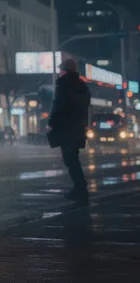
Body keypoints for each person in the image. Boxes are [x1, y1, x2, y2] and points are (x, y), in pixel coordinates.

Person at [48, 58, 91, 203]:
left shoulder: (64, 86)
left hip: (66, 128)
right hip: (77, 127)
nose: (59, 73)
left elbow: (59, 106)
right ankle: (79, 187)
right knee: (73, 158)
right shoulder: (82, 86)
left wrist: (52, 122)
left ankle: (80, 188)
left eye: (61, 70)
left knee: (70, 160)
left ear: (65, 71)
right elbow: (85, 106)